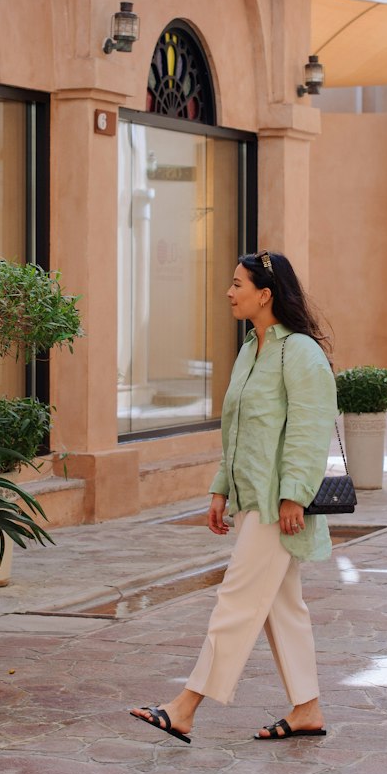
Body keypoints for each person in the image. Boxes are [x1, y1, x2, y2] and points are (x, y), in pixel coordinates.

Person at [131, 249, 338, 744]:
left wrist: (294, 496)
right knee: (281, 607)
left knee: (238, 600)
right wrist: (220, 489)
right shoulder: (251, 350)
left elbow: (310, 432)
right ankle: (307, 708)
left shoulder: (300, 353)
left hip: (277, 506)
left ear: (265, 295)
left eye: (238, 285)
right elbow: (236, 428)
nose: (229, 292)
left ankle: (184, 707)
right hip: (251, 501)